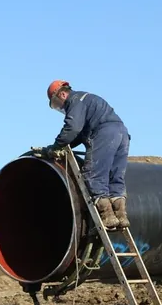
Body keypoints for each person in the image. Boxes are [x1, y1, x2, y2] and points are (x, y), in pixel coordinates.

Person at [44, 80, 131, 229]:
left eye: (57, 104)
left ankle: (108, 216)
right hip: (122, 133)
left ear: (63, 94)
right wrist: (65, 145)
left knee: (93, 174)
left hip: (105, 133)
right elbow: (79, 134)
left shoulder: (75, 101)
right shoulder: (87, 99)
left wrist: (56, 145)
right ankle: (121, 216)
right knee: (114, 177)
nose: (60, 108)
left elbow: (72, 128)